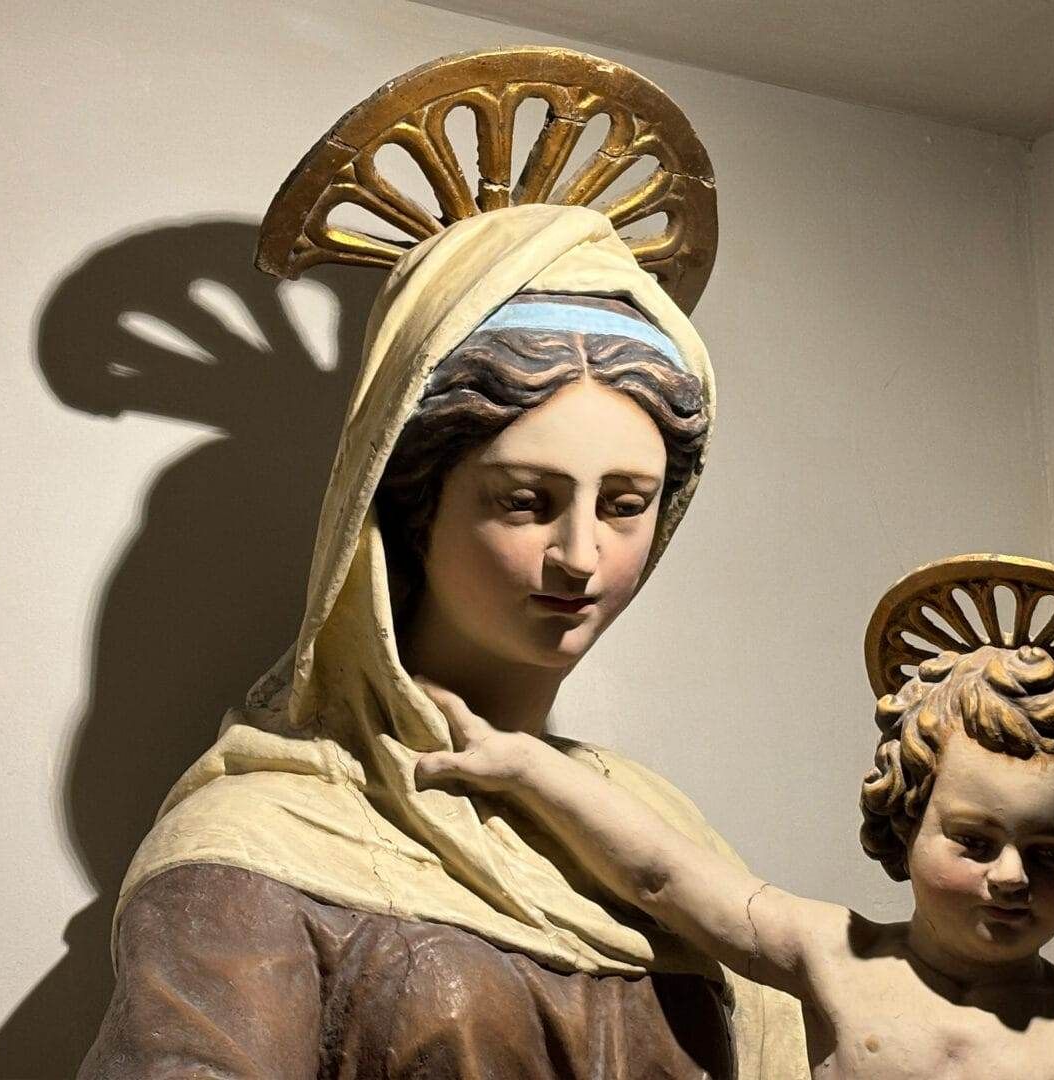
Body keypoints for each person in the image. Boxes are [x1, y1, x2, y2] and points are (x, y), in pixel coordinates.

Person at [80, 204, 806, 1078]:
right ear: (410, 504)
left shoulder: (667, 835)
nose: (581, 556)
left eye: (625, 506)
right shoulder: (259, 844)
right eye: (525, 500)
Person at [416, 635, 1054, 1078]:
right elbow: (664, 874)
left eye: (1050, 853)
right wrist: (526, 765)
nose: (1010, 877)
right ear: (907, 821)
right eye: (974, 842)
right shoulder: (838, 956)